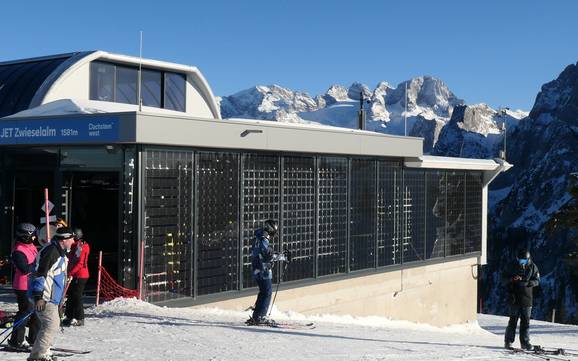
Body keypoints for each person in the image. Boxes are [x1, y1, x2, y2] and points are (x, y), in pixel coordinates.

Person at [28, 227, 75, 361]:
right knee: (51, 325)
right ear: (64, 239)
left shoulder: (59, 251)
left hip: (51, 297)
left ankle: (42, 352)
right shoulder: (51, 251)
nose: (73, 241)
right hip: (44, 297)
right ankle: (38, 355)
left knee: (49, 325)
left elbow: (53, 272)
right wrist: (38, 297)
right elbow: (40, 274)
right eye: (71, 238)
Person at [247, 219, 287, 325]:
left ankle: (257, 316)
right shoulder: (263, 238)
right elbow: (267, 255)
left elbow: (265, 252)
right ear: (271, 229)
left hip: (257, 268)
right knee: (267, 293)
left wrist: (277, 254)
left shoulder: (259, 237)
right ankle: (261, 317)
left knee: (263, 292)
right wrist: (282, 257)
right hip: (262, 269)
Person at [9, 223, 40, 348]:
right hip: (23, 286)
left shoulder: (31, 246)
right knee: (25, 312)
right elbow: (24, 269)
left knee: (37, 312)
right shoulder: (18, 250)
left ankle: (34, 339)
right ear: (26, 236)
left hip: (33, 284)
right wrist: (39, 265)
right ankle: (16, 340)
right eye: (33, 235)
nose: (35, 238)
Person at [503, 248, 540, 350]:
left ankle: (525, 342)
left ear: (528, 259)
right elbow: (503, 279)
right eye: (520, 260)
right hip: (514, 297)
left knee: (525, 322)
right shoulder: (511, 266)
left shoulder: (532, 267)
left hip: (527, 298)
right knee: (513, 321)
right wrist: (512, 279)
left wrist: (529, 283)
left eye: (524, 261)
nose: (522, 263)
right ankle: (508, 341)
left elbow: (537, 280)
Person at [62, 228, 90, 327]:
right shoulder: (75, 245)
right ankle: (68, 316)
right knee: (71, 296)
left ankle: (80, 318)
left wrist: (71, 273)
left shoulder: (82, 246)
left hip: (80, 275)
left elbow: (80, 263)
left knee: (77, 296)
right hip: (74, 274)